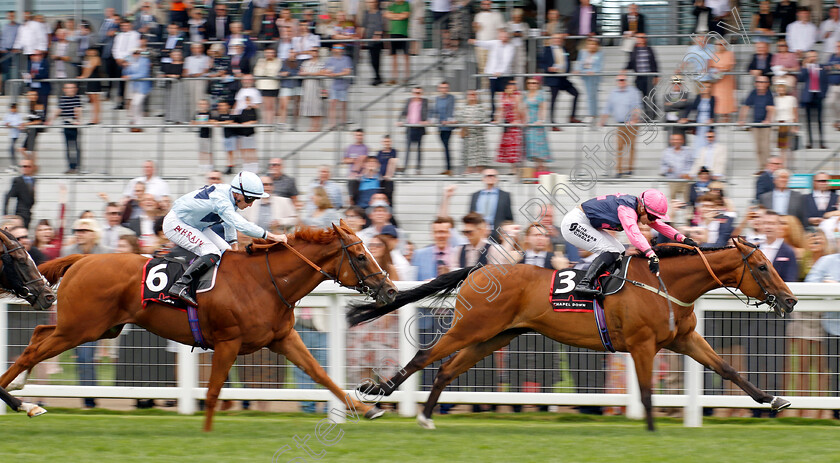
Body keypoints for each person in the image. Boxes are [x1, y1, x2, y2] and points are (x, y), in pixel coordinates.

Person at [163, 171, 286, 306]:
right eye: (250, 199)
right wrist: (272, 236)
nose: (251, 204)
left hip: (196, 225)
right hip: (176, 223)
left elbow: (229, 221)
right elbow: (240, 224)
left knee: (227, 253)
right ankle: (180, 285)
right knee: (212, 252)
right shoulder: (222, 199)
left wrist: (233, 243)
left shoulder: (231, 196)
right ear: (237, 194)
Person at [560, 189, 697, 295]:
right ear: (643, 208)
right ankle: (585, 284)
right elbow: (633, 234)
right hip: (574, 223)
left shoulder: (638, 208)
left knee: (620, 250)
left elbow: (660, 226)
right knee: (612, 250)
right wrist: (651, 254)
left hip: (587, 223)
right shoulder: (627, 210)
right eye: (652, 216)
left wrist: (683, 238)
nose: (652, 220)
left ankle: (605, 283)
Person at [599, 74, 643, 177]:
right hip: (620, 123)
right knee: (619, 147)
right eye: (619, 80)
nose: (621, 82)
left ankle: (630, 168)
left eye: (623, 80)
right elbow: (607, 108)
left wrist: (634, 119)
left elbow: (637, 106)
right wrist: (602, 120)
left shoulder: (633, 92)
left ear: (626, 81)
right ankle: (619, 170)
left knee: (631, 146)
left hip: (632, 124)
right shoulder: (613, 93)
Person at [541, 33, 580, 128]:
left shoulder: (564, 49)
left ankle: (572, 116)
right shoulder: (547, 49)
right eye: (556, 39)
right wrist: (548, 68)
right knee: (554, 99)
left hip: (563, 77)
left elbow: (568, 61)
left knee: (576, 93)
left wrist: (568, 71)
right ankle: (552, 122)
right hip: (553, 78)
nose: (558, 40)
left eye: (559, 39)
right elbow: (541, 63)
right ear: (552, 40)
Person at [738, 76, 775, 169]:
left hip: (765, 125)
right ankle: (761, 168)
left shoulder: (769, 94)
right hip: (755, 124)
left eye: (763, 82)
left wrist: (768, 119)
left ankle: (768, 168)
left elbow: (771, 109)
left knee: (765, 148)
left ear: (767, 84)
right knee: (758, 149)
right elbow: (746, 106)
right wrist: (742, 119)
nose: (760, 84)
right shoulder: (753, 93)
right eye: (758, 82)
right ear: (755, 83)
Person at [469, 169, 513, 238]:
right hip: (478, 233)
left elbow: (509, 217)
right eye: (488, 176)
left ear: (497, 179)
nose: (490, 178)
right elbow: (470, 216)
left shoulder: (505, 196)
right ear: (483, 179)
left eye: (493, 176)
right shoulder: (475, 195)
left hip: (497, 234)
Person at [49, 82, 83, 174]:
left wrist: (78, 119)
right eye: (68, 88)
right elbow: (59, 110)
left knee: (75, 146)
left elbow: (78, 109)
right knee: (68, 147)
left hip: (74, 124)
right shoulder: (62, 99)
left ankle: (77, 166)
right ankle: (71, 167)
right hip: (66, 124)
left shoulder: (77, 98)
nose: (70, 90)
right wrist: (51, 120)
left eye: (72, 88)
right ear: (64, 90)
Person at [798, 50, 828, 150]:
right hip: (808, 96)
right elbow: (800, 78)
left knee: (819, 120)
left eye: (814, 56)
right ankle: (809, 142)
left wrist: (823, 94)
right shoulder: (806, 68)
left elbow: (825, 81)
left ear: (817, 56)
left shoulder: (822, 67)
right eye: (810, 56)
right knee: (809, 121)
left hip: (818, 95)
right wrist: (804, 67)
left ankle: (821, 142)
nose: (812, 58)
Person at [456, 89, 490, 173]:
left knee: (480, 159)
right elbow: (459, 119)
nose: (471, 96)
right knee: (468, 159)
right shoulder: (464, 108)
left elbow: (486, 118)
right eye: (470, 94)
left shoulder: (480, 107)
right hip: (468, 135)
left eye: (473, 94)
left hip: (478, 136)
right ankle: (468, 175)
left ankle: (480, 174)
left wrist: (479, 122)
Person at [397, 86, 429, 174]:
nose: (417, 95)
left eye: (419, 93)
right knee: (407, 149)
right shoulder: (409, 101)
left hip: (419, 128)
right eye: (415, 93)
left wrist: (426, 120)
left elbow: (427, 112)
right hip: (410, 128)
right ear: (412, 93)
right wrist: (400, 120)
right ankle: (405, 167)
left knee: (419, 149)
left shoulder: (424, 101)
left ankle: (418, 169)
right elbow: (403, 112)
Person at [523, 78, 550, 172]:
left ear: (538, 84)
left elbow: (543, 108)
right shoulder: (525, 95)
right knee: (532, 144)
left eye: (534, 83)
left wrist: (541, 120)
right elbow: (524, 108)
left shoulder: (541, 94)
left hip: (537, 121)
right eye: (530, 83)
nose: (532, 84)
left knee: (539, 143)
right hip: (529, 122)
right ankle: (536, 165)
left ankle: (542, 165)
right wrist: (525, 119)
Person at [496, 80, 524, 169]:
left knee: (515, 144)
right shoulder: (503, 96)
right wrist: (497, 119)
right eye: (510, 85)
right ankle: (512, 168)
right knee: (508, 145)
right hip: (506, 121)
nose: (511, 86)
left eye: (513, 84)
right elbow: (500, 109)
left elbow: (519, 108)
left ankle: (516, 168)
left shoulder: (517, 95)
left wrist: (517, 120)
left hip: (515, 121)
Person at [574, 37, 604, 121]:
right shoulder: (583, 52)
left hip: (594, 76)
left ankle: (592, 114)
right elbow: (579, 62)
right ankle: (593, 114)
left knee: (592, 96)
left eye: (594, 44)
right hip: (585, 76)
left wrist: (593, 71)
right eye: (590, 44)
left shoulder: (599, 53)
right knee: (590, 95)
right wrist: (577, 70)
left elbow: (599, 66)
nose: (592, 46)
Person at [324, 45, 353, 129]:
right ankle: (332, 124)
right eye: (337, 48)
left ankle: (343, 124)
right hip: (334, 85)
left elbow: (348, 71)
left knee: (343, 105)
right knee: (332, 104)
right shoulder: (330, 60)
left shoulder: (347, 59)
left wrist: (336, 74)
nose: (339, 50)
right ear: (333, 50)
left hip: (344, 85)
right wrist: (340, 73)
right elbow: (326, 71)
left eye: (341, 48)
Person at [432, 81, 456, 175]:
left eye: (446, 87)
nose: (444, 89)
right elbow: (435, 111)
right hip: (439, 126)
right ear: (439, 89)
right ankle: (448, 168)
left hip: (447, 127)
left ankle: (449, 169)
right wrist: (433, 119)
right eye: (442, 87)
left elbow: (450, 110)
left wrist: (447, 120)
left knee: (446, 146)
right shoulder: (437, 99)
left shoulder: (451, 98)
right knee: (445, 147)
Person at [4, 159, 36, 228]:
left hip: (29, 213)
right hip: (20, 213)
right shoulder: (18, 180)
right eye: (24, 166)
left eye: (28, 166)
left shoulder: (33, 180)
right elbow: (9, 195)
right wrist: (6, 213)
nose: (26, 168)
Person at [384, 0, 411, 85]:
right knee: (394, 57)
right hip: (393, 33)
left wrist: (393, 16)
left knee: (406, 57)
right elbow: (387, 15)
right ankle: (394, 78)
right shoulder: (392, 5)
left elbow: (405, 16)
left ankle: (406, 78)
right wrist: (399, 15)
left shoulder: (407, 4)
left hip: (404, 33)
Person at [359, 0, 385, 86]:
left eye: (373, 2)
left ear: (376, 2)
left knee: (376, 60)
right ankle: (377, 76)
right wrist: (360, 37)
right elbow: (363, 26)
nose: (371, 4)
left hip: (377, 40)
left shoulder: (379, 13)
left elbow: (381, 25)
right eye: (369, 2)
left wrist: (378, 34)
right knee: (371, 60)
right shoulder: (366, 13)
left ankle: (378, 77)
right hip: (369, 40)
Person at [254, 48, 281, 125]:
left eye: (271, 52)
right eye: (267, 53)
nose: (269, 54)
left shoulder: (278, 61)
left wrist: (266, 72)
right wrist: (266, 70)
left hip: (273, 86)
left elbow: (276, 73)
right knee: (265, 107)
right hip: (262, 86)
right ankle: (266, 124)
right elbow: (257, 72)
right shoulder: (261, 61)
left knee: (271, 106)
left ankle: (271, 124)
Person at [4, 103, 22, 168]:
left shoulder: (18, 115)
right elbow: (4, 122)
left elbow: (18, 123)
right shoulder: (7, 115)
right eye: (12, 108)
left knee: (13, 149)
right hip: (12, 135)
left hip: (18, 135)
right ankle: (14, 163)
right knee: (12, 149)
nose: (13, 109)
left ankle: (16, 163)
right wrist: (7, 124)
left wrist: (10, 124)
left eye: (14, 108)